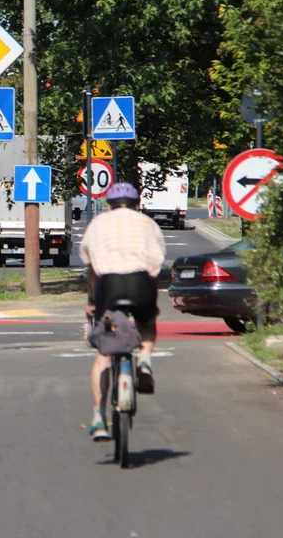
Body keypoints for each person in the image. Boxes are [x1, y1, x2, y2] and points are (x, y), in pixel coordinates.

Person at [79, 181, 166, 441]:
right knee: (148, 323)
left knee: (105, 351)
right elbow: (157, 264)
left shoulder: (98, 224)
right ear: (137, 204)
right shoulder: (148, 224)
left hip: (110, 284)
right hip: (141, 281)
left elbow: (91, 265)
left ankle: (98, 418)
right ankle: (146, 363)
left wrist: (94, 301)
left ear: (108, 204)